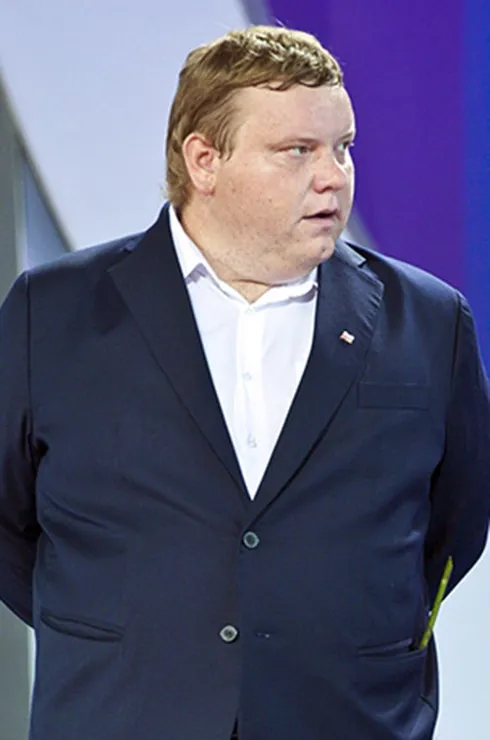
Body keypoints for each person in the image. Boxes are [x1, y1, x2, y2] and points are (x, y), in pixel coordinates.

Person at [0, 25, 489, 740]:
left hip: (345, 719)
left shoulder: (430, 320)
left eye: (343, 147)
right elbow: (10, 527)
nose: (334, 177)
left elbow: (454, 524)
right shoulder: (53, 311)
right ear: (204, 160)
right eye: (298, 151)